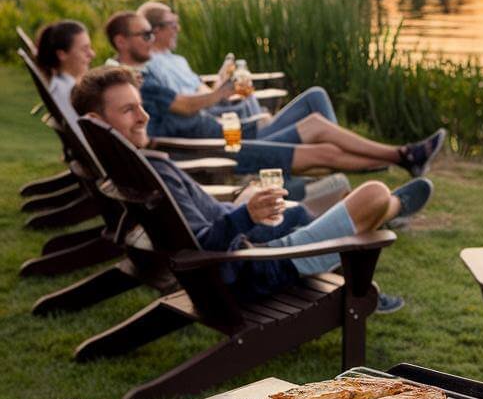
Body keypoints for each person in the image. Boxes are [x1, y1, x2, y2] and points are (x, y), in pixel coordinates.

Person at [71, 67, 432, 302]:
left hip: (243, 251)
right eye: (128, 110)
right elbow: (202, 246)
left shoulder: (131, 170)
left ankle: (377, 225)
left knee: (307, 209)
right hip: (254, 268)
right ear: (95, 120)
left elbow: (197, 233)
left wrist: (242, 206)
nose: (144, 116)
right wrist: (245, 214)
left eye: (140, 106)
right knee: (373, 194)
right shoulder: (150, 173)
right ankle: (390, 209)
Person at [104, 9, 447, 179]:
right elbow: (187, 105)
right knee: (319, 133)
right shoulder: (138, 82)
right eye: (144, 35)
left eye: (152, 34)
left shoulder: (137, 78)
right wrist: (226, 91)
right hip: (220, 148)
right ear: (122, 42)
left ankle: (402, 157)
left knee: (317, 126)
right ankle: (400, 157)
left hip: (228, 136)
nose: (151, 40)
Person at [35, 20, 96, 134]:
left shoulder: (65, 87)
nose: (92, 54)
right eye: (84, 49)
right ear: (62, 55)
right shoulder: (67, 93)